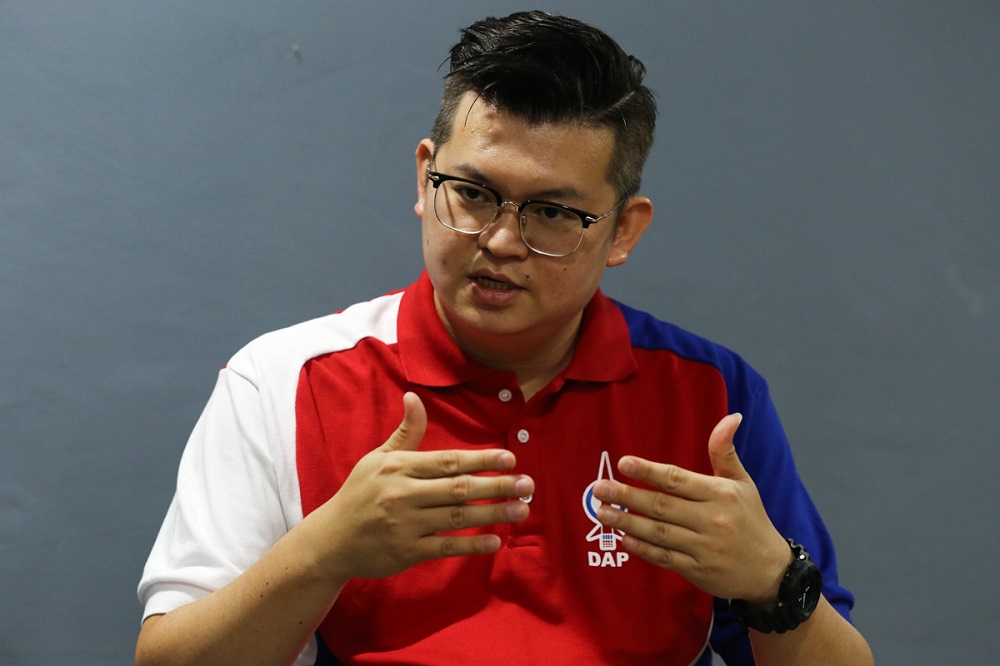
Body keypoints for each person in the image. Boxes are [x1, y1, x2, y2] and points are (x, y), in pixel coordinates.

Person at [136, 10, 872, 665]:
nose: (499, 241)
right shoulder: (282, 380)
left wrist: (772, 581)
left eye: (552, 212)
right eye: (473, 193)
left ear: (623, 231)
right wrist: (323, 553)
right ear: (425, 178)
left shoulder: (713, 396)